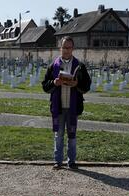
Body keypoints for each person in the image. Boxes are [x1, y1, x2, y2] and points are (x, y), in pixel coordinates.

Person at [42, 37, 91, 170]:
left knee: (72, 136)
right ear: (60, 48)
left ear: (73, 49)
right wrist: (54, 83)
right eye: (64, 47)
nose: (66, 50)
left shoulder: (80, 66)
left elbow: (87, 85)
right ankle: (58, 161)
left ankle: (71, 161)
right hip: (58, 107)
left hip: (73, 107)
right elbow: (45, 85)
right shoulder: (53, 65)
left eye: (69, 47)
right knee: (58, 136)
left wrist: (77, 84)